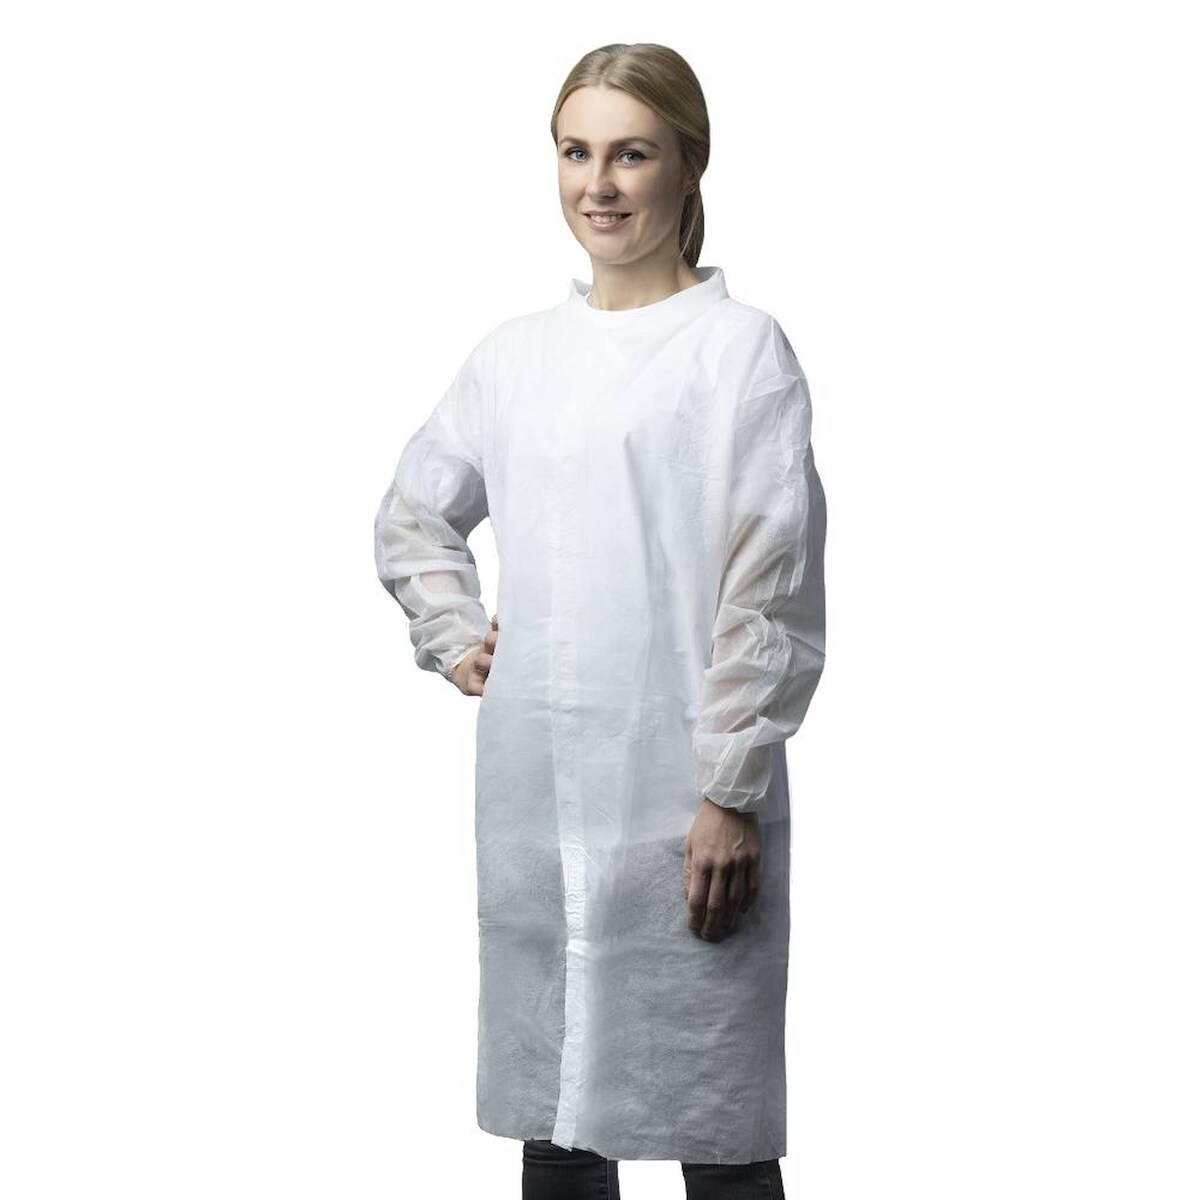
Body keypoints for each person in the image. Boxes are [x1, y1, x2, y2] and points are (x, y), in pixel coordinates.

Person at [374, 42, 826, 1200]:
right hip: (537, 794)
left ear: (690, 164)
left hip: (683, 800)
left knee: (715, 1127)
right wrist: (453, 633)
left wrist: (731, 790)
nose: (600, 185)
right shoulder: (514, 356)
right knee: (557, 1114)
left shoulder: (738, 351)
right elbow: (415, 513)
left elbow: (768, 585)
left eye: (631, 154)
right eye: (576, 153)